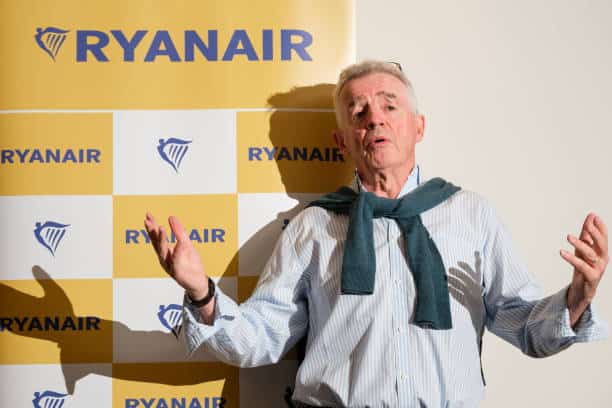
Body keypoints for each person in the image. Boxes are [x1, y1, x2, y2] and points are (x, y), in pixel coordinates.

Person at [143, 60, 608, 407]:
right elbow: (263, 335)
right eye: (358, 110)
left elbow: (526, 328)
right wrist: (202, 293)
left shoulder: (472, 215)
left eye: (389, 105)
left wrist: (577, 297)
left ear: (418, 126)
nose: (374, 118)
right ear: (342, 140)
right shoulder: (313, 226)